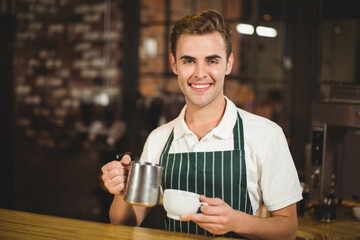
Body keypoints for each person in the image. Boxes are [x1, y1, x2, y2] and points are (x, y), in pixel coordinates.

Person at [101, 9, 302, 239]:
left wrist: (237, 221)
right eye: (188, 61)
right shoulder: (159, 138)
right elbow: (126, 223)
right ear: (174, 64)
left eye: (212, 60)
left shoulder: (266, 135)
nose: (200, 73)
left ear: (228, 64)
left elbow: (288, 230)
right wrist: (121, 191)